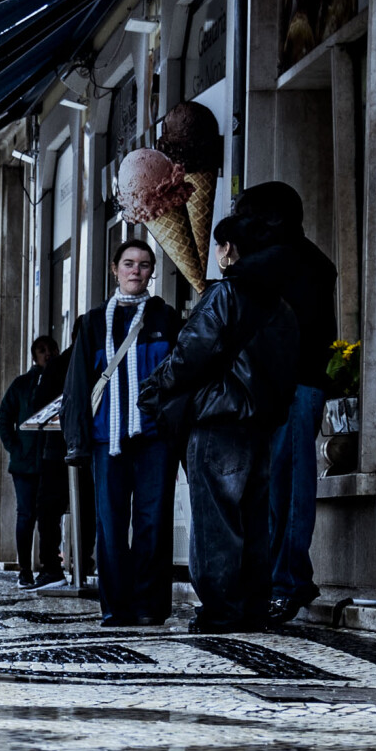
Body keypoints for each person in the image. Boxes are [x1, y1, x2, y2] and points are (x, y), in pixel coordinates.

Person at [145, 214, 300, 633]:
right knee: (253, 518)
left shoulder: (226, 295)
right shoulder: (283, 305)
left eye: (218, 246)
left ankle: (220, 610)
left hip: (218, 420)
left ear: (229, 250)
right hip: (261, 425)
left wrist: (159, 386)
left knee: (216, 517)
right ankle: (250, 606)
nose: (216, 254)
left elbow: (192, 353)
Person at [62, 241, 183, 626]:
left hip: (154, 438)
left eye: (145, 265)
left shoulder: (166, 317)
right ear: (114, 269)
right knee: (110, 524)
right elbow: (78, 386)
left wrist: (175, 430)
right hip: (105, 439)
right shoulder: (93, 322)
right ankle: (115, 606)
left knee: (153, 521)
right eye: (129, 264)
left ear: (152, 272)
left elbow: (181, 379)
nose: (136, 271)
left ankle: (149, 606)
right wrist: (76, 442)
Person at [244, 183, 340, 623]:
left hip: (289, 389)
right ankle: (279, 581)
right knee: (281, 489)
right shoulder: (311, 261)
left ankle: (286, 583)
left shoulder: (273, 264)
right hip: (294, 387)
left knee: (286, 489)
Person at [0, 334, 68, 588]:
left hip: (52, 462)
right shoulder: (22, 385)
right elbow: (4, 418)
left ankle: (50, 565)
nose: (47, 353)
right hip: (25, 465)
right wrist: (16, 449)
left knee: (50, 516)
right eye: (41, 350)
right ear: (33, 356)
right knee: (26, 516)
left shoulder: (63, 381)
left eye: (51, 349)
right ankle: (25, 569)